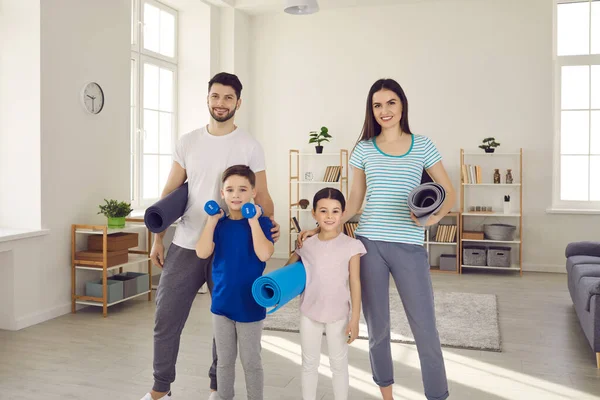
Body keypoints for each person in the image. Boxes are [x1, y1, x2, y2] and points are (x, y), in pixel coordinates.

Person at [298, 78, 455, 400]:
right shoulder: (364, 149)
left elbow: (449, 193)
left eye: (391, 103)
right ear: (372, 110)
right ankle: (387, 395)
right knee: (378, 328)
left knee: (425, 329)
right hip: (368, 245)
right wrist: (322, 228)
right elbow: (354, 201)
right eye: (377, 105)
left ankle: (437, 395)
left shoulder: (422, 145)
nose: (385, 110)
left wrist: (431, 219)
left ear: (402, 105)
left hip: (410, 245)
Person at [141, 72, 280, 400]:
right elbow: (170, 192)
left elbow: (262, 194)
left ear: (238, 103)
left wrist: (269, 222)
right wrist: (157, 238)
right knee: (166, 317)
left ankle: (218, 388)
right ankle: (160, 389)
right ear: (207, 99)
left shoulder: (249, 145)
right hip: (188, 241)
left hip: (231, 248)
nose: (221, 103)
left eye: (228, 98)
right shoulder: (188, 141)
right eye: (215, 96)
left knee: (226, 319)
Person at [196, 164, 274, 400]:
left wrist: (253, 220)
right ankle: (223, 397)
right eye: (230, 190)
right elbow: (202, 252)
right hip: (221, 304)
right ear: (222, 194)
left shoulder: (262, 223)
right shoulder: (218, 224)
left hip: (250, 304)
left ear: (253, 192)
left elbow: (264, 254)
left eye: (242, 189)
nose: (236, 195)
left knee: (251, 362)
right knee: (224, 362)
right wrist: (211, 221)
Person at [285, 187, 366, 400]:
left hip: (338, 315)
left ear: (343, 213)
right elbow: (288, 270)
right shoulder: (307, 244)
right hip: (309, 312)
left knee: (338, 365)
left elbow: (355, 282)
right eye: (323, 211)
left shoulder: (352, 246)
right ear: (314, 214)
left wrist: (355, 319)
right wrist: (298, 247)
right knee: (309, 363)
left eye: (335, 211)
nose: (329, 216)